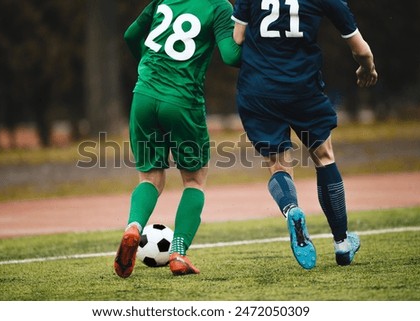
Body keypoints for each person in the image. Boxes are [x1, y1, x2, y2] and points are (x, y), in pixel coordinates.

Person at [231, 0, 378, 269]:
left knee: (278, 165)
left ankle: (292, 209)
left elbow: (237, 38)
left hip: (258, 89)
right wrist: (367, 67)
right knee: (324, 157)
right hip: (303, 89)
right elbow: (360, 49)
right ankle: (342, 243)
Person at [114, 0, 241, 278]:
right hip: (182, 101)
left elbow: (130, 35)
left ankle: (133, 228)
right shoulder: (219, 6)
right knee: (194, 181)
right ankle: (178, 253)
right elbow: (232, 56)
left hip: (144, 95)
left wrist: (148, 67)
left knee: (150, 178)